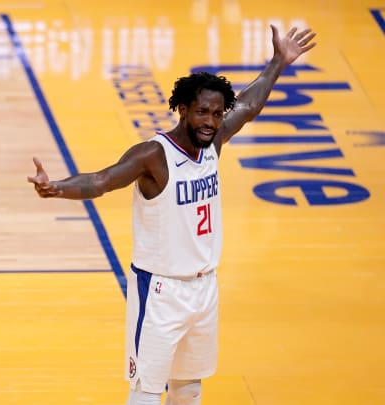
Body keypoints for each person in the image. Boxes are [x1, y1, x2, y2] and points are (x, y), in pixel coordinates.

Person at [27, 25, 316, 405]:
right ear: (182, 110)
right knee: (147, 390)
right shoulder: (154, 155)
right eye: (202, 112)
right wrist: (56, 188)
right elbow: (101, 181)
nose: (211, 121)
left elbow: (247, 105)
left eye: (216, 113)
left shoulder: (212, 143)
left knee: (189, 387)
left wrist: (279, 60)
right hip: (160, 290)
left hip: (204, 287)